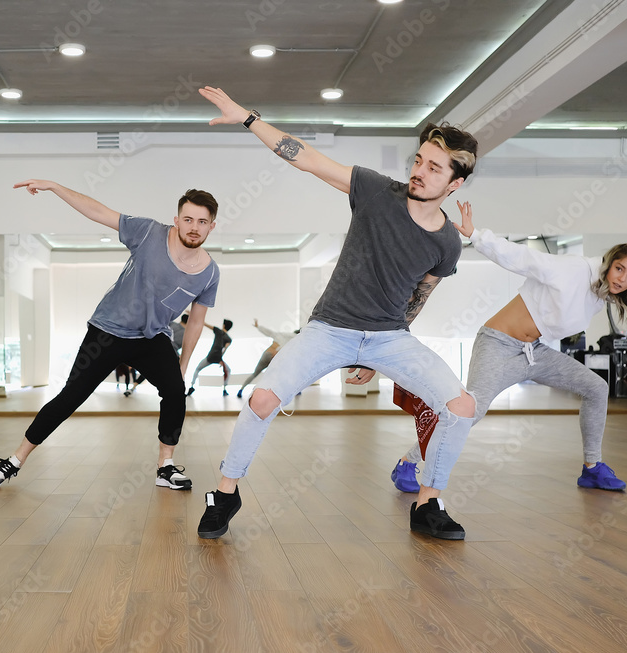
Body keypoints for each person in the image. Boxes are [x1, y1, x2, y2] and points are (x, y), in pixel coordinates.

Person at [195, 86, 479, 541]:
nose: (420, 171)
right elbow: (306, 157)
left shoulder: (447, 242)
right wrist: (248, 118)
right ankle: (226, 492)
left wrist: (383, 357)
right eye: (419, 160)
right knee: (262, 399)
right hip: (329, 329)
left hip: (389, 337)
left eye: (434, 167)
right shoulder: (376, 192)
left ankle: (428, 504)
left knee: (462, 407)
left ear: (455, 183)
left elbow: (419, 298)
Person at [390, 206, 627, 495]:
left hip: (534, 352)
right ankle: (407, 462)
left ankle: (592, 468)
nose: (622, 279)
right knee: (470, 412)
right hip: (498, 344)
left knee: (597, 388)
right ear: (608, 262)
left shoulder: (598, 297)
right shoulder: (574, 269)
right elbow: (525, 259)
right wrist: (477, 235)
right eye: (619, 269)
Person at [0, 181, 219, 492]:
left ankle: (165, 466)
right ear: (177, 220)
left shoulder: (209, 273)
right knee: (70, 397)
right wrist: (54, 187)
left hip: (150, 337)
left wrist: (182, 367)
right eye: (188, 219)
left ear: (211, 226)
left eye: (202, 222)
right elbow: (98, 211)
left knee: (175, 391)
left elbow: (196, 323)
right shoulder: (148, 232)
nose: (194, 227)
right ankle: (15, 460)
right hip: (108, 330)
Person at [236, 319, 300, 398]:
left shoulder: (280, 334)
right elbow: (285, 347)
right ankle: (294, 391)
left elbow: (268, 332)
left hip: (266, 354)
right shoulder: (295, 338)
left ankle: (241, 389)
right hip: (274, 357)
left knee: (255, 374)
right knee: (284, 373)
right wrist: (278, 350)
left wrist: (258, 326)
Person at [187, 319, 233, 396]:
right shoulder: (229, 339)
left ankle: (192, 386)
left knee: (198, 369)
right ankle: (225, 389)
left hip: (211, 357)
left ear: (224, 325)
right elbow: (224, 349)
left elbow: (205, 324)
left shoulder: (218, 331)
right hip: (218, 358)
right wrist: (220, 360)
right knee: (228, 371)